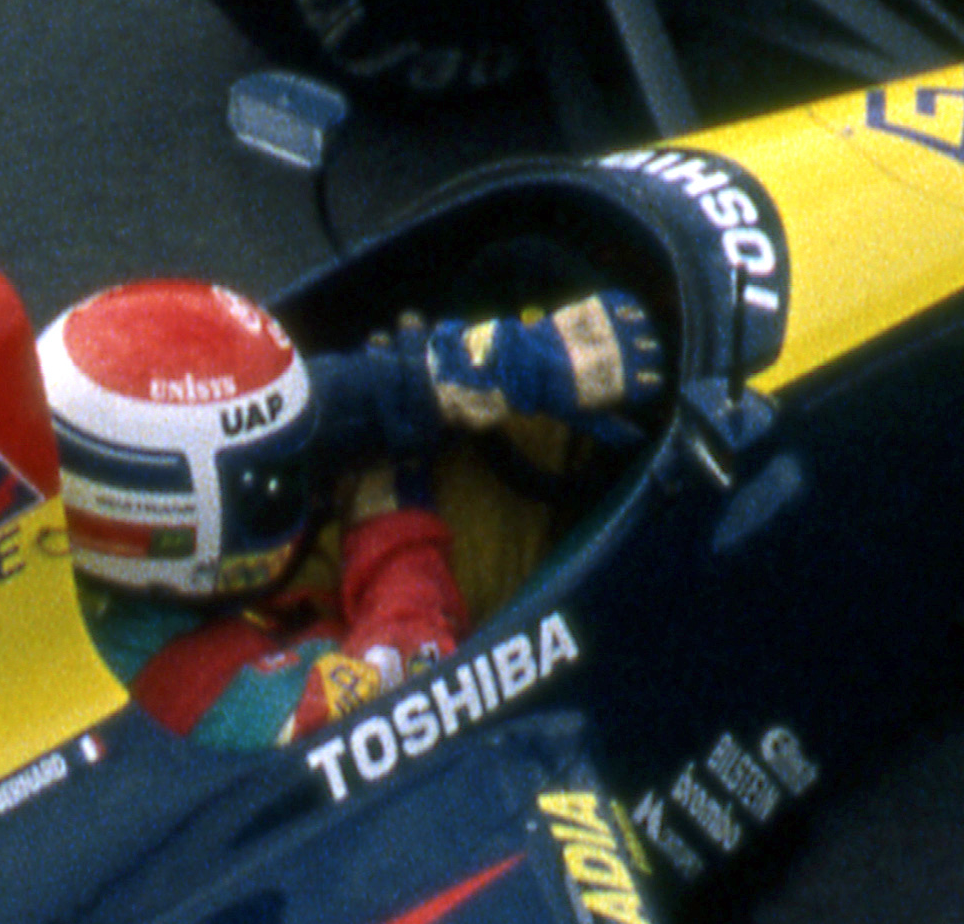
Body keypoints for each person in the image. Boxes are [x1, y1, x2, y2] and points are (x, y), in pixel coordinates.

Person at [41, 275, 664, 746]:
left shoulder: (65, 499)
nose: (301, 475)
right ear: (175, 527)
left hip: (257, 617)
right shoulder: (208, 700)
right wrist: (389, 509)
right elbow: (410, 676)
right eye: (272, 479)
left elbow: (275, 417)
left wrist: (441, 372)